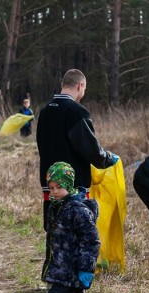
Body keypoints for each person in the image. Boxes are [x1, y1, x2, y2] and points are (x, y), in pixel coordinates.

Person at [18, 162, 112, 293]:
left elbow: (92, 242)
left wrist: (87, 268)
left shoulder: (79, 211)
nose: (55, 192)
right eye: (51, 188)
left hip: (73, 268)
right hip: (60, 266)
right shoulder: (56, 207)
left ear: (69, 186)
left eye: (59, 187)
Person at [36, 69, 119, 231]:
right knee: (76, 234)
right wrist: (107, 158)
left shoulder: (45, 111)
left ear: (63, 85)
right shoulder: (76, 111)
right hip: (72, 186)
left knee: (55, 232)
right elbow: (89, 149)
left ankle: (54, 257)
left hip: (50, 184)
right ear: (80, 86)